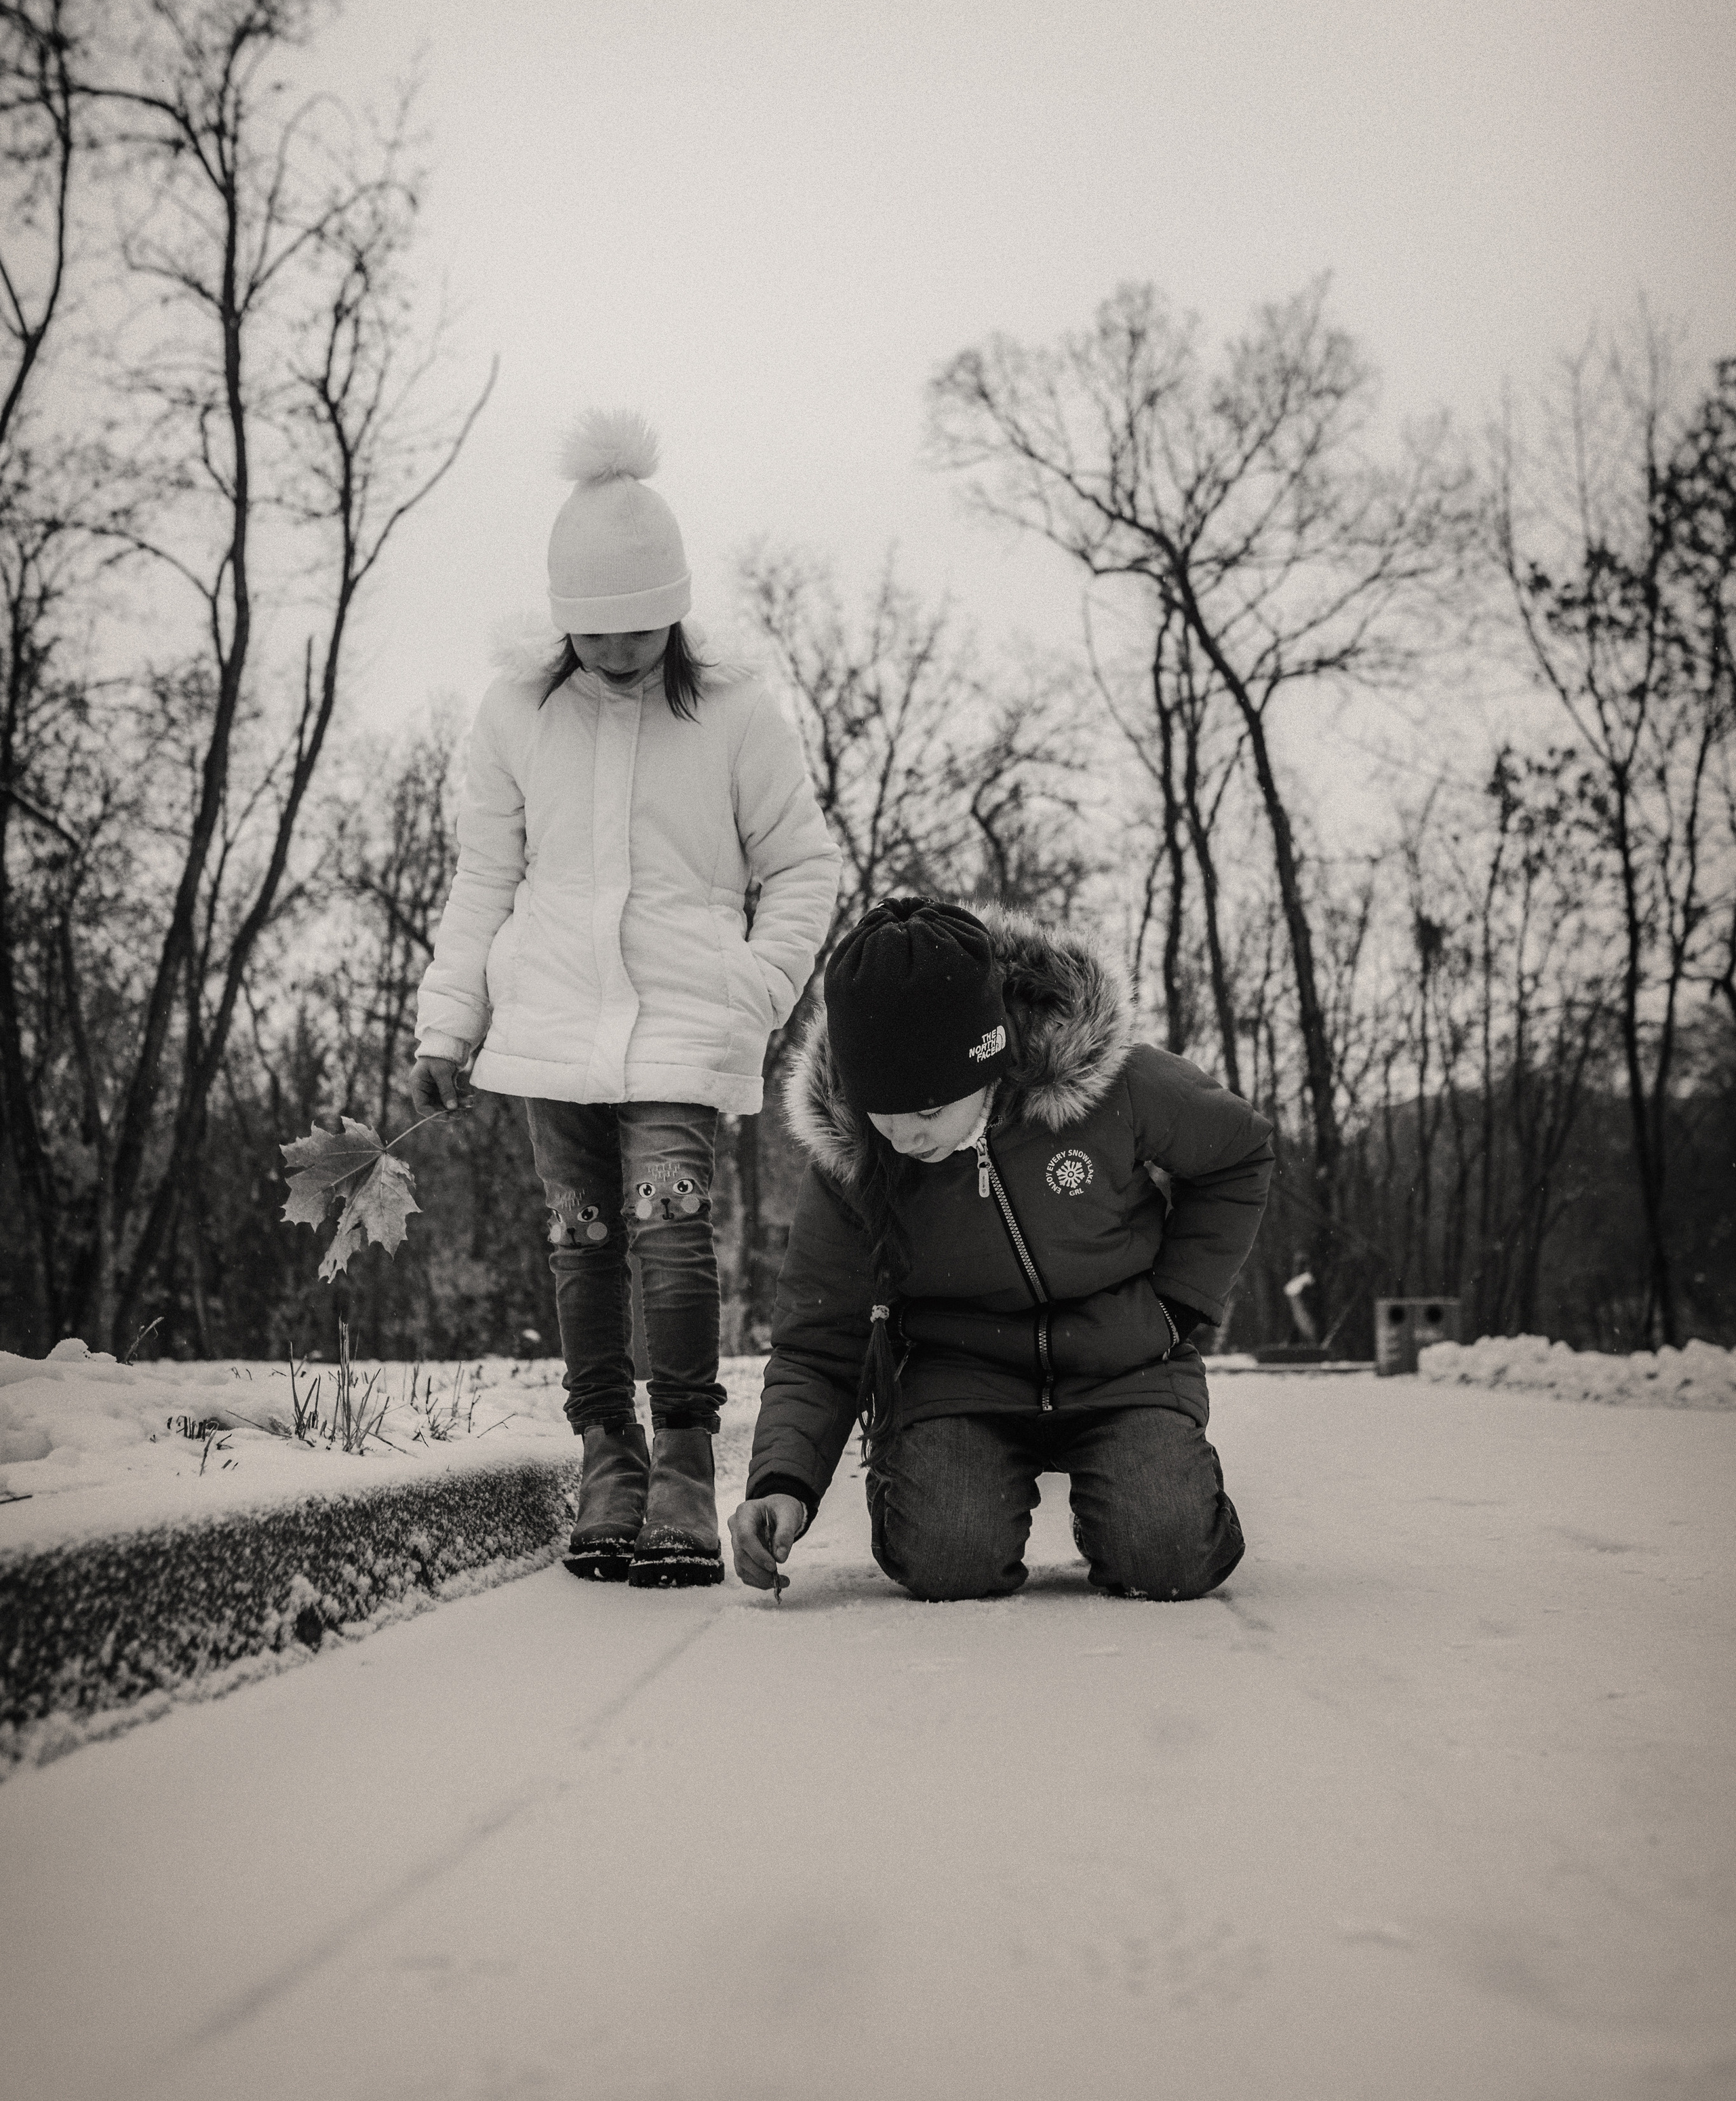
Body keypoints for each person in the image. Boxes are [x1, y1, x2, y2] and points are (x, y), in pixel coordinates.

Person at [410, 409, 840, 1586]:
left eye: (638, 625)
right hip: (550, 1021)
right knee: (583, 1240)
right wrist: (448, 1024)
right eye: (592, 628)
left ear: (676, 606)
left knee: (672, 1234)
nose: (615, 648)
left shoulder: (735, 711)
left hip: (683, 1019)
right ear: (563, 617)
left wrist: (755, 988)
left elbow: (804, 865)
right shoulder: (515, 712)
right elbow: (485, 877)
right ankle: (609, 1456)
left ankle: (687, 1461)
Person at [729, 897, 1272, 1601]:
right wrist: (784, 1481)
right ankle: (935, 1493)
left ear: (986, 1063)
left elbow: (1237, 1154)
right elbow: (817, 1338)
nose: (905, 1137)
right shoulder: (854, 1157)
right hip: (957, 1378)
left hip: (1121, 1366)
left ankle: (1135, 1505)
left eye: (928, 1110)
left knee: (1166, 1554)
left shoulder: (1112, 1086)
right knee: (948, 1560)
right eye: (881, 1111)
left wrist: (1177, 1304)